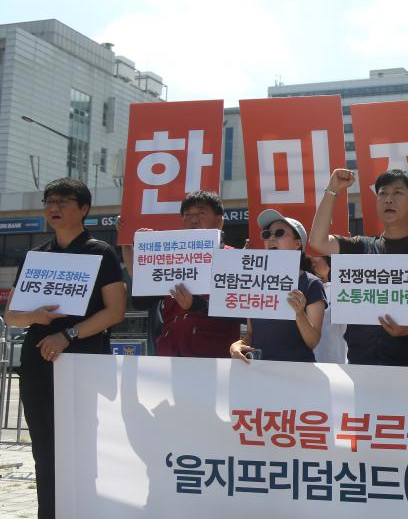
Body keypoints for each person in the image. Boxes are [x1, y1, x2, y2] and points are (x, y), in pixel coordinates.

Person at [6, 178, 127, 519]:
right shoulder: (36, 256)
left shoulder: (100, 252)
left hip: (82, 361)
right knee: (44, 448)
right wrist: (34, 317)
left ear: (84, 208)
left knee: (81, 447)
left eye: (63, 201)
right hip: (37, 362)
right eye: (49, 201)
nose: (53, 208)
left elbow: (116, 311)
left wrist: (68, 335)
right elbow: (12, 316)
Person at [308, 168, 408, 366]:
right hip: (361, 364)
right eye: (382, 193)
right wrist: (332, 189)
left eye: (397, 192)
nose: (389, 199)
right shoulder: (360, 247)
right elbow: (317, 242)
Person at [120, 190, 240, 357]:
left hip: (212, 355)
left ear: (219, 221)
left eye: (201, 213)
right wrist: (146, 253)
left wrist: (196, 305)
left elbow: (241, 315)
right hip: (169, 353)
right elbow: (141, 302)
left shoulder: (233, 258)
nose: (194, 220)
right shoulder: (170, 256)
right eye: (187, 215)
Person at [229, 210, 326, 363]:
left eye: (279, 233)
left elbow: (313, 341)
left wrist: (300, 314)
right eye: (267, 234)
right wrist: (237, 346)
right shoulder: (256, 281)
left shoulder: (312, 284)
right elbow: (251, 333)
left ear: (297, 244)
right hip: (259, 369)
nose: (271, 238)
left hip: (297, 371)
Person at [310, 254, 348, 363]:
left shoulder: (343, 290)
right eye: (308, 258)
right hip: (306, 363)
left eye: (317, 256)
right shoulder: (300, 289)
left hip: (337, 362)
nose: (312, 261)